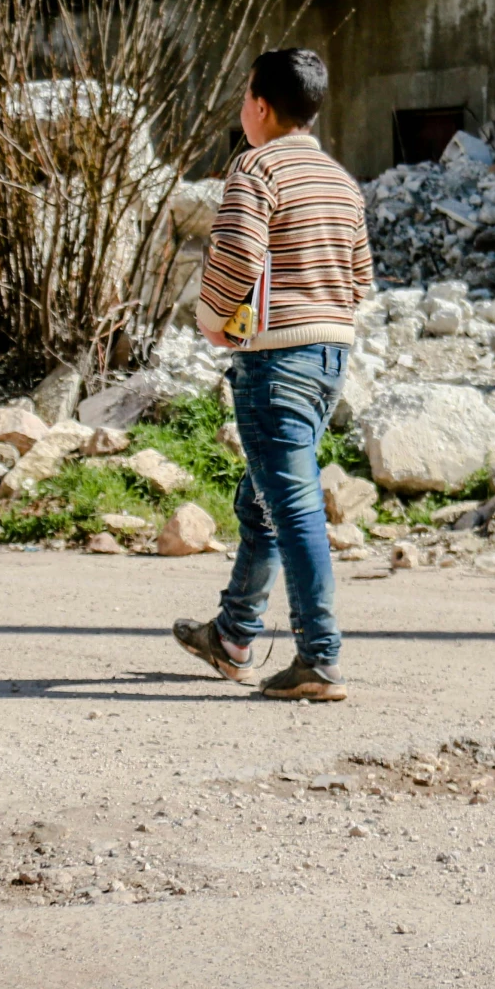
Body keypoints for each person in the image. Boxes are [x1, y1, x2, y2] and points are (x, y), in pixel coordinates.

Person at [172, 49, 373, 702]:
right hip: (328, 357)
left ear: (260, 105)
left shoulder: (256, 168)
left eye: (243, 97)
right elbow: (360, 279)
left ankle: (318, 657)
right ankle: (232, 635)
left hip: (275, 356)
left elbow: (233, 259)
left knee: (291, 503)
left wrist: (212, 321)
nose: (242, 109)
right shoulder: (341, 180)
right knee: (264, 495)